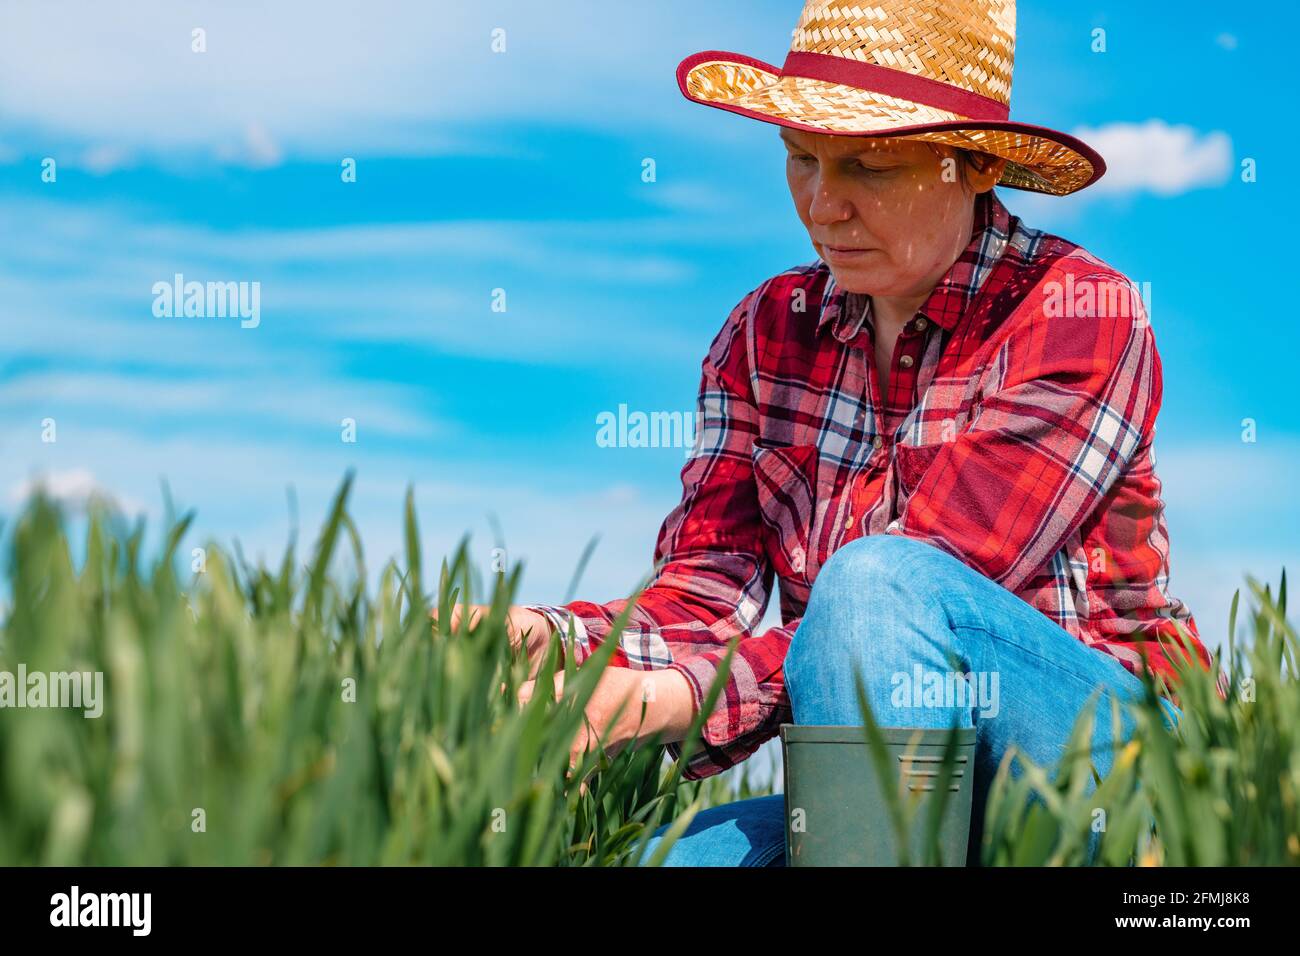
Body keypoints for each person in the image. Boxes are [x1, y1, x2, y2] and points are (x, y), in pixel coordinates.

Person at [439, 0, 1212, 865]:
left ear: (977, 164)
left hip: (1111, 761)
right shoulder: (767, 330)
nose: (823, 204)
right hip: (895, 780)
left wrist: (660, 703)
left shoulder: (1077, 310)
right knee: (648, 861)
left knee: (874, 584)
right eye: (799, 159)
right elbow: (706, 590)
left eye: (870, 167)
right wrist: (556, 646)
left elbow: (917, 592)